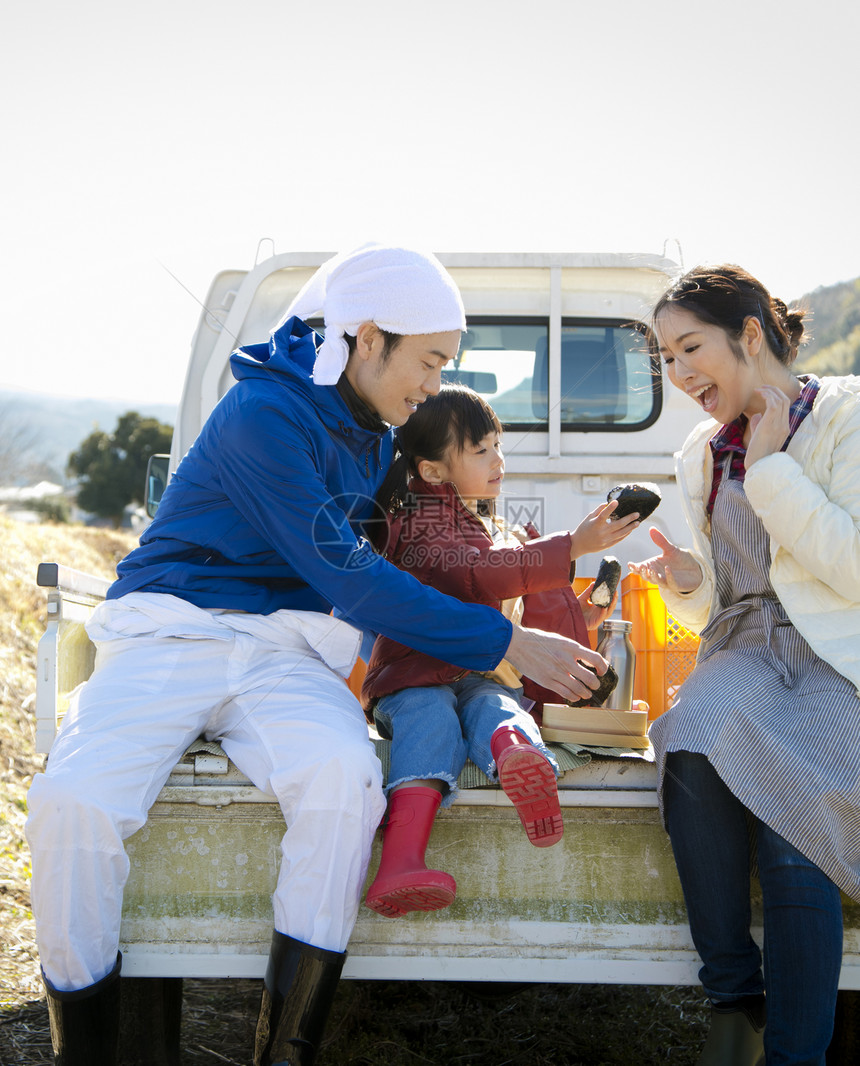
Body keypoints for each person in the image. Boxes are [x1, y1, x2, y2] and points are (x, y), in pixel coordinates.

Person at [25, 244, 615, 1066]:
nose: (435, 383)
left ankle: (286, 1053)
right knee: (72, 803)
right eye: (431, 360)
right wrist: (510, 643)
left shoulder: (378, 431)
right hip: (173, 630)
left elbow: (426, 552)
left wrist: (545, 571)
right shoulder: (260, 415)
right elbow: (351, 573)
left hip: (290, 652)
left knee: (344, 782)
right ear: (367, 338)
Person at [629, 264, 860, 1066]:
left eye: (691, 348)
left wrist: (771, 469)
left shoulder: (847, 417)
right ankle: (735, 995)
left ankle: (797, 1055)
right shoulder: (701, 451)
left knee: (796, 823)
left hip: (835, 654)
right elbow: (728, 590)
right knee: (687, 740)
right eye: (667, 358)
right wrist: (692, 584)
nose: (681, 374)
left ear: (750, 335)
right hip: (747, 645)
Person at [360, 383, 637, 917]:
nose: (498, 460)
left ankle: (516, 756)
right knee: (433, 721)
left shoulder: (464, 514)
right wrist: (571, 546)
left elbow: (496, 576)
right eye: (480, 450)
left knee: (498, 706)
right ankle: (399, 863)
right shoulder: (420, 518)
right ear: (433, 470)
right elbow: (481, 575)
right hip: (411, 675)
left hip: (474, 670)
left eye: (498, 446)